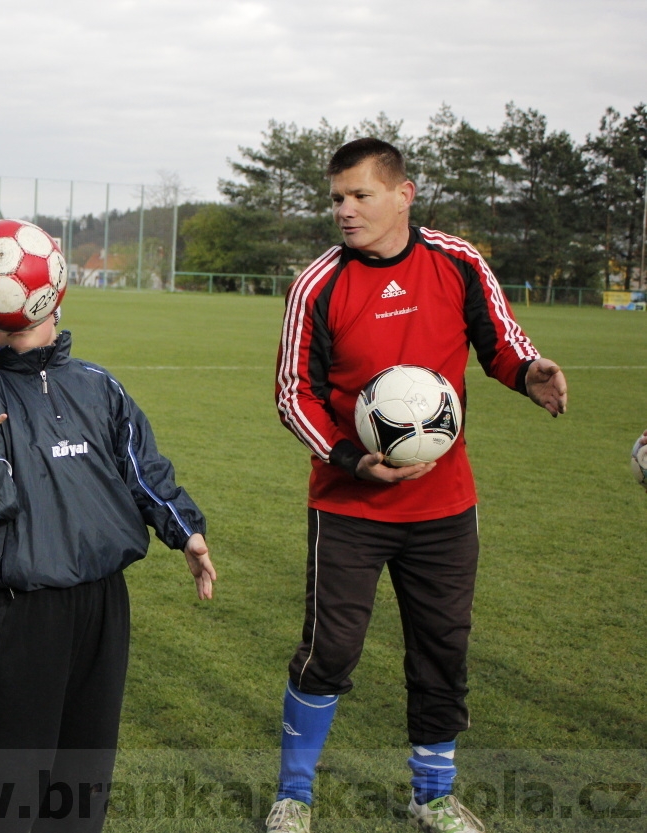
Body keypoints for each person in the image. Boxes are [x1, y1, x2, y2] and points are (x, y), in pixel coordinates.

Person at [267, 139, 567, 833]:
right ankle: (295, 796)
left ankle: (432, 795)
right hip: (348, 505)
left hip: (444, 506)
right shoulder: (317, 284)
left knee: (442, 649)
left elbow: (500, 341)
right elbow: (293, 394)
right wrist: (353, 459)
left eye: (360, 195)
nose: (344, 210)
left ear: (404, 194)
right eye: (337, 198)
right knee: (329, 650)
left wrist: (529, 371)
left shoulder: (457, 261)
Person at [0, 282, 216, 832]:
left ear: (54, 304)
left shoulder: (99, 386)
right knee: (10, 772)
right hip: (29, 608)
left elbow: (143, 470)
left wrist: (186, 532)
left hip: (104, 600)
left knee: (86, 766)